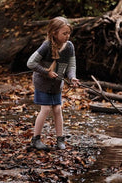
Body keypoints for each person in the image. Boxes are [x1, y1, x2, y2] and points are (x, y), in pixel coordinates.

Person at [27, 16, 79, 150]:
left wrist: (72, 77)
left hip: (57, 84)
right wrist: (46, 72)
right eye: (64, 33)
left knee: (57, 109)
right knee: (45, 109)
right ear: (54, 33)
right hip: (42, 84)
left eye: (69, 33)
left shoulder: (69, 46)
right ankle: (36, 139)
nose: (67, 36)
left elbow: (71, 66)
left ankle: (60, 140)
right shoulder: (46, 46)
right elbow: (31, 63)